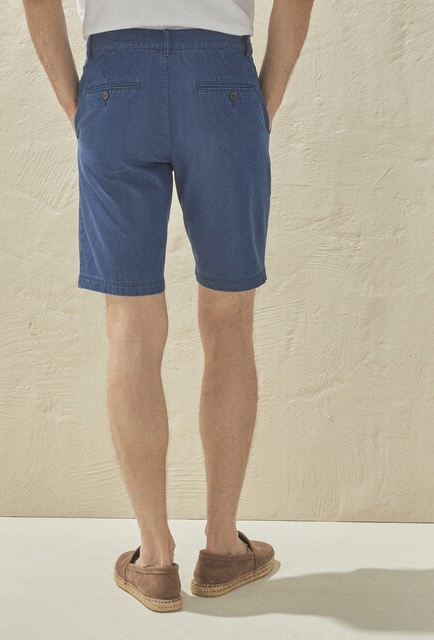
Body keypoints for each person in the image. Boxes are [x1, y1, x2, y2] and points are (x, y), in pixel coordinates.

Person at [22, 0, 314, 612]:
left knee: (130, 326)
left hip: (115, 85)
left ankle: (154, 560)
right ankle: (222, 547)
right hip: (222, 83)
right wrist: (261, 104)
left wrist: (79, 105)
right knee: (229, 319)